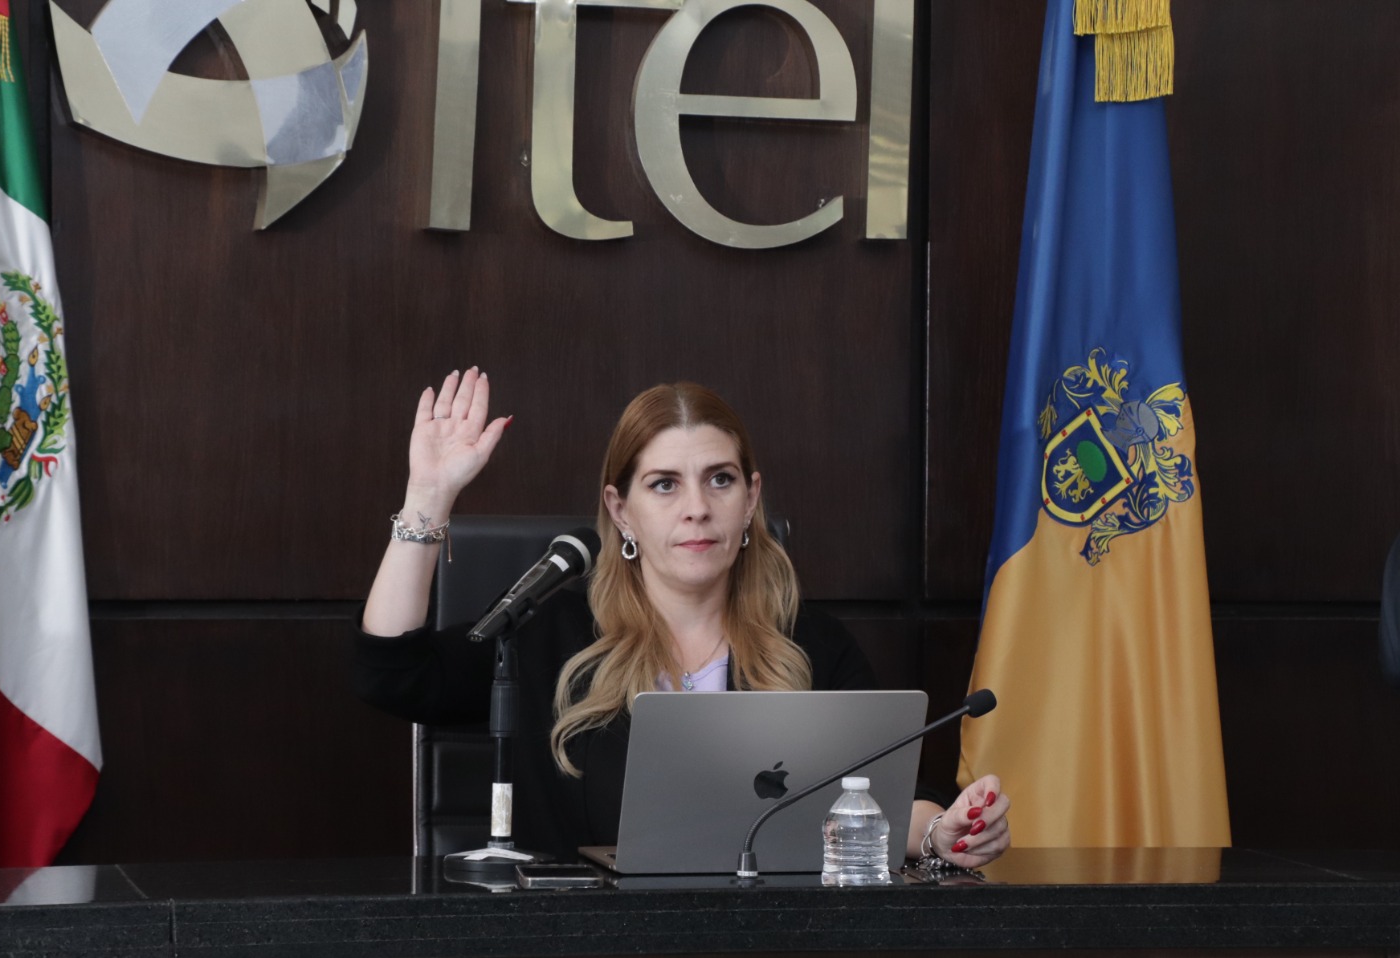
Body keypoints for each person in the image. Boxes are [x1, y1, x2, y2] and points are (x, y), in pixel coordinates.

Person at [354, 369, 1011, 868]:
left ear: (750, 499)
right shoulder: (547, 634)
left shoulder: (811, 643)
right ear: (621, 511)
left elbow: (887, 795)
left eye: (720, 479)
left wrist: (940, 831)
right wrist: (429, 496)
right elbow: (395, 674)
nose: (697, 507)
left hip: (770, 952)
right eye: (664, 484)